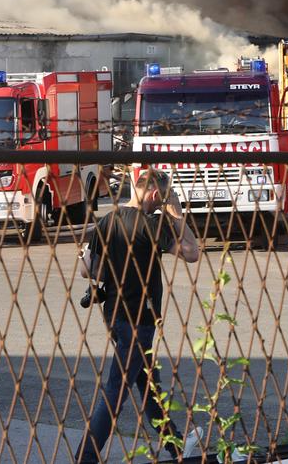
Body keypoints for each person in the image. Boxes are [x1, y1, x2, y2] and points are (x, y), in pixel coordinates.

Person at [76, 167, 202, 463]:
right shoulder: (152, 224)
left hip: (115, 315)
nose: (161, 204)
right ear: (157, 194)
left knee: (148, 385)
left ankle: (175, 446)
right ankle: (86, 456)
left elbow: (89, 269)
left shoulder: (109, 219)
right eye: (163, 199)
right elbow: (192, 252)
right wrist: (177, 215)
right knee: (115, 392)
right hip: (139, 319)